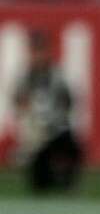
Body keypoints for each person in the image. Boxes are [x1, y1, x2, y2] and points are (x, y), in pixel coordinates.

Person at [12, 30, 83, 192]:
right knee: (39, 184)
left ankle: (67, 181)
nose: (38, 56)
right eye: (35, 51)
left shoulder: (57, 75)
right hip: (34, 134)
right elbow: (18, 102)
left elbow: (69, 100)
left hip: (55, 129)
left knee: (72, 147)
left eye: (40, 51)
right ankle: (48, 179)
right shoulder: (24, 77)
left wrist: (56, 119)